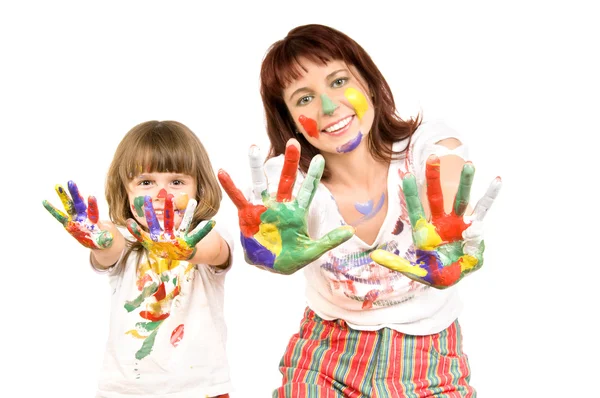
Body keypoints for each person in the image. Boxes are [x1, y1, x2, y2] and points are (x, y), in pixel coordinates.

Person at [218, 24, 500, 397]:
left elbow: (445, 156)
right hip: (326, 356)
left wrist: (443, 215)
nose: (329, 106)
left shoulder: (419, 150)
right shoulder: (294, 187)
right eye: (304, 99)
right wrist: (264, 253)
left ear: (367, 81)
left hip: (428, 360)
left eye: (338, 81)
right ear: (290, 121)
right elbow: (270, 215)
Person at [43, 120, 233, 398]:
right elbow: (109, 247)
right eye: (146, 182)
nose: (161, 194)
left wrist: (186, 250)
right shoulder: (128, 243)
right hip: (125, 391)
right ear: (126, 192)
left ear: (198, 189)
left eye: (177, 182)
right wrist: (101, 235)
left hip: (200, 389)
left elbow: (215, 250)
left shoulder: (204, 237)